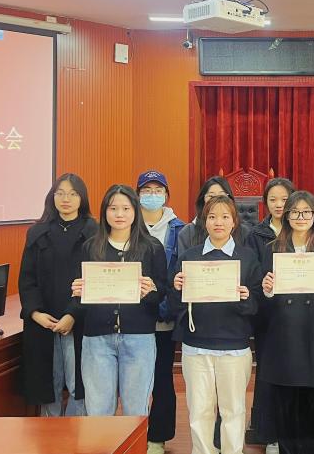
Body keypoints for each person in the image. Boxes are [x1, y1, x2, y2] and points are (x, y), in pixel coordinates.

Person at [168, 195, 263, 454]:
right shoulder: (189, 257)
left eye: (224, 217)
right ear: (204, 221)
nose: (218, 222)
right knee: (200, 411)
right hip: (196, 346)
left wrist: (246, 297)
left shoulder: (248, 258)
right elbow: (174, 305)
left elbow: (257, 306)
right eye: (212, 217)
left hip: (234, 347)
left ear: (234, 222)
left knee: (233, 410)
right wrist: (176, 288)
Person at [70, 184, 168, 417]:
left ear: (135, 211)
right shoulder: (90, 247)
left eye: (126, 208)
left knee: (136, 411)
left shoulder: (151, 247)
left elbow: (162, 293)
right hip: (97, 339)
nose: (119, 214)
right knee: (99, 411)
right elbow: (82, 297)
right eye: (113, 208)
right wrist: (78, 292)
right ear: (104, 212)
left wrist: (151, 290)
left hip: (139, 338)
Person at [258, 191, 314, 454]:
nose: (300, 217)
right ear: (286, 216)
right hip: (284, 336)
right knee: (286, 404)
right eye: (295, 212)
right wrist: (267, 291)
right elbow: (261, 305)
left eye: (306, 212)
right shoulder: (272, 249)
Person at [18, 173, 95, 417]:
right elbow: (27, 279)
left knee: (78, 386)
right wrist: (35, 313)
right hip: (44, 322)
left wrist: (72, 314)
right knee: (47, 386)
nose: (66, 199)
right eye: (60, 193)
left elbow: (95, 281)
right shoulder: (37, 232)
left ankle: (77, 434)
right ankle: (50, 435)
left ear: (82, 198)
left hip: (79, 321)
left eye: (72, 194)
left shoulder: (94, 231)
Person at [137, 170, 186, 454]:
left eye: (157, 190)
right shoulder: (128, 224)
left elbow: (180, 272)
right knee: (134, 382)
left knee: (162, 379)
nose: (152, 195)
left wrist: (164, 308)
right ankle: (133, 436)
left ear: (166, 195)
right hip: (133, 319)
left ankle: (157, 437)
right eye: (146, 190)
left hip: (164, 319)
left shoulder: (179, 229)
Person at [247, 177, 296, 451]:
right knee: (269, 376)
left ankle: (293, 433)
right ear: (265, 203)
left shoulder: (302, 229)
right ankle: (270, 436)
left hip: (299, 316)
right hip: (268, 317)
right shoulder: (256, 235)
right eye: (273, 199)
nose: (279, 205)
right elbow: (253, 274)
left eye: (284, 199)